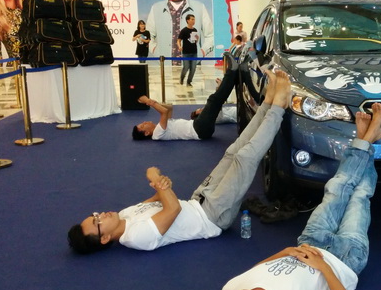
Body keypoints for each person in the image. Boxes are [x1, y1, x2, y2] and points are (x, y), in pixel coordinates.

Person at [187, 104, 381, 290]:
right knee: (359, 195)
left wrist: (284, 252)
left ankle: (366, 140)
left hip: (310, 241)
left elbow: (257, 270)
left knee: (337, 187)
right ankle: (366, 140)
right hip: (345, 260)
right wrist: (324, 267)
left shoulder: (230, 288)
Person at [67, 69, 292, 254]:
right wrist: (155, 179)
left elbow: (158, 199)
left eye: (95, 215)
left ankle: (267, 103)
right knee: (245, 159)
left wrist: (162, 186)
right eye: (97, 222)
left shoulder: (124, 215)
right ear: (104, 238)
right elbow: (172, 208)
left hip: (198, 200)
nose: (101, 215)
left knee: (233, 152)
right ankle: (278, 106)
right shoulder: (135, 237)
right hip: (213, 217)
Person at [132, 69, 237, 141]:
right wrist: (148, 101)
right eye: (143, 126)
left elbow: (169, 108)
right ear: (146, 133)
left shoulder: (161, 126)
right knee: (213, 101)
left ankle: (231, 77)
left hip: (200, 127)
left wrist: (154, 102)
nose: (144, 122)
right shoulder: (157, 134)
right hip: (199, 129)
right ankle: (231, 73)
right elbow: (164, 112)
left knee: (215, 104)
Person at [146, 0, 214, 65]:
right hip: (165, 67)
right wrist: (155, 50)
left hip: (192, 66)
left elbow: (211, 35)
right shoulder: (156, 8)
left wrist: (202, 52)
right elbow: (148, 35)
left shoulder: (199, 7)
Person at [177, 14, 199, 86]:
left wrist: (197, 39)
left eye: (194, 19)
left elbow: (195, 41)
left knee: (193, 68)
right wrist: (179, 46)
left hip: (194, 52)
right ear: (188, 20)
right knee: (186, 67)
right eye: (192, 19)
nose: (193, 21)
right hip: (186, 52)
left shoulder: (195, 30)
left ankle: (189, 81)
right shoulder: (184, 30)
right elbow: (178, 40)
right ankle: (182, 78)